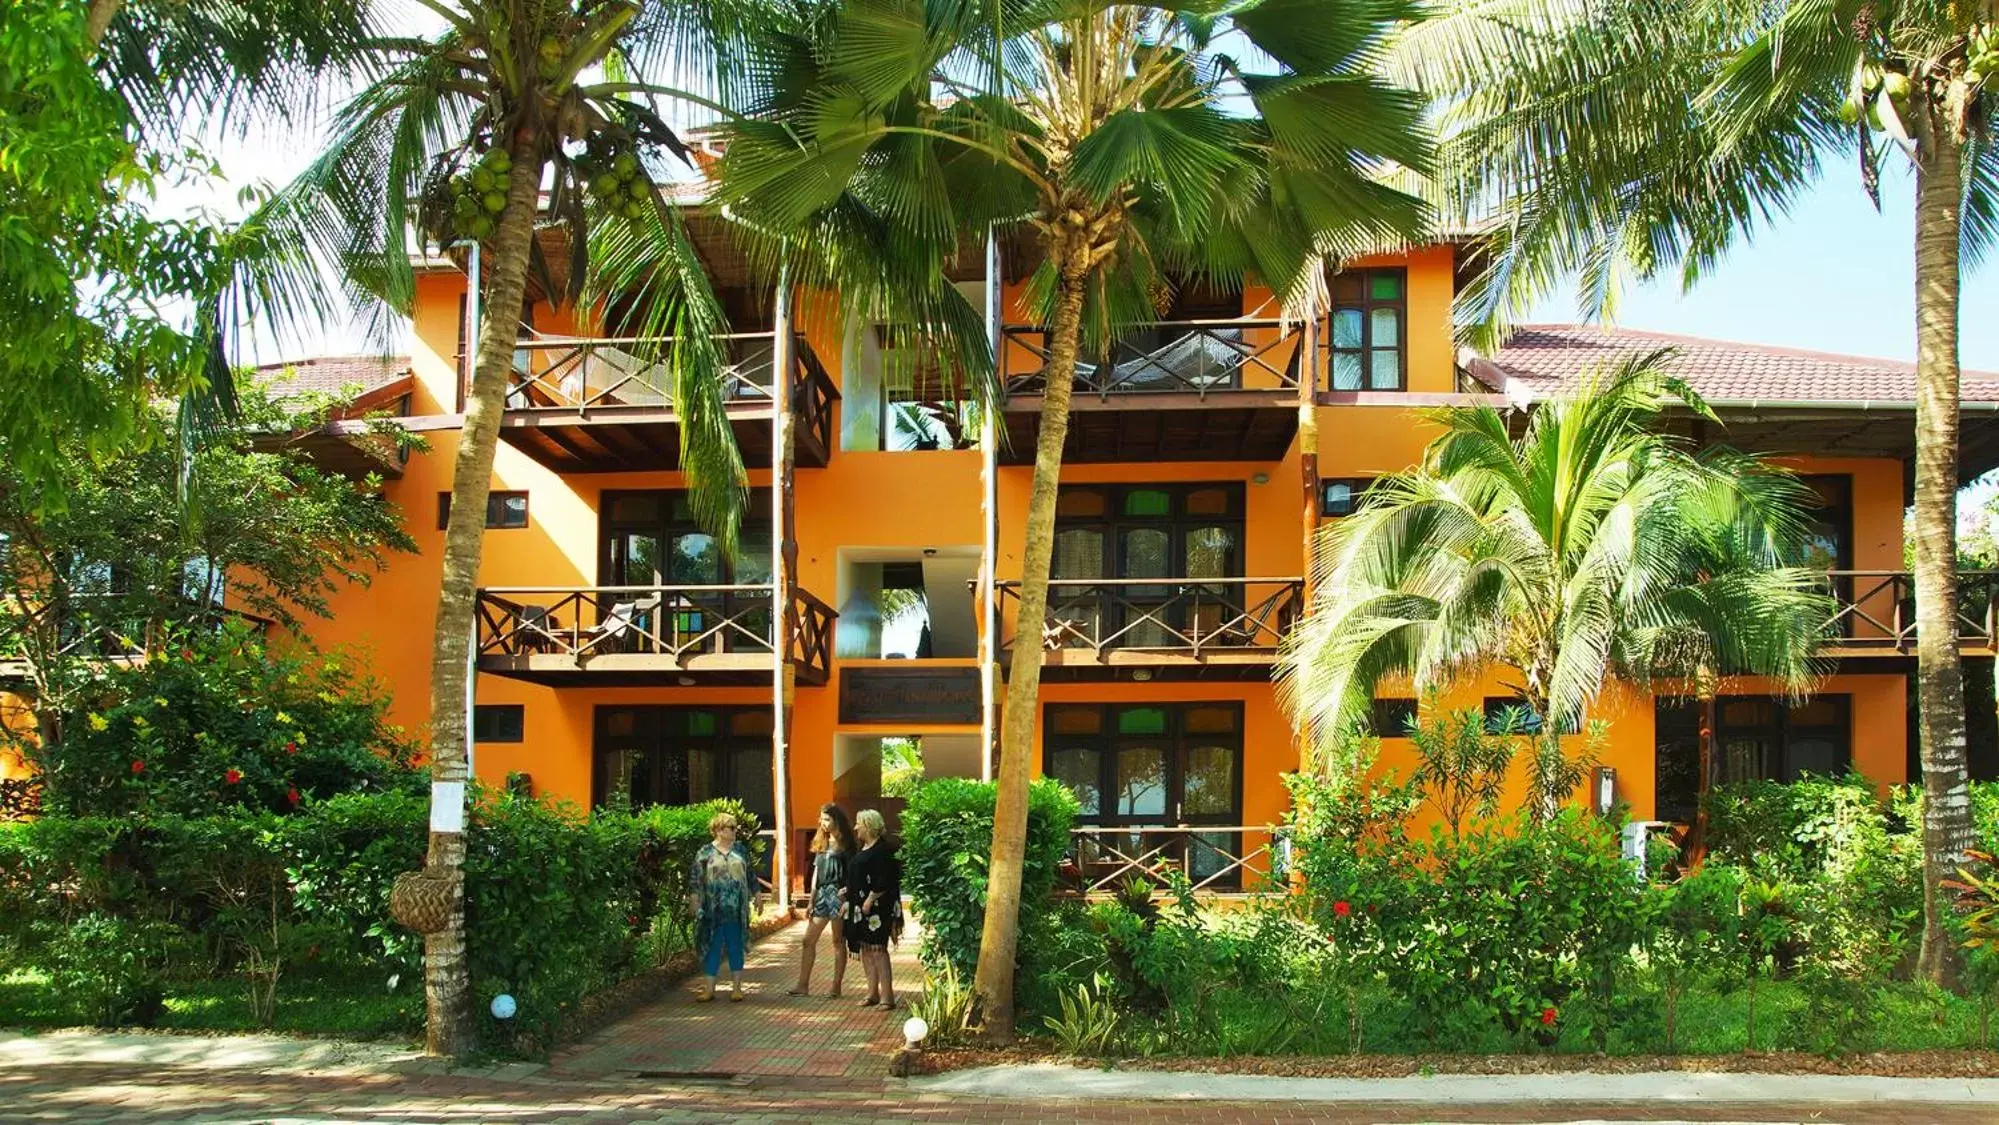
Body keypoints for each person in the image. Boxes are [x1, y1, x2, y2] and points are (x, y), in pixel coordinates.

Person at [687, 811, 754, 1003]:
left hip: (736, 908)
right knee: (712, 947)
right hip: (712, 909)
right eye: (731, 828)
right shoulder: (705, 852)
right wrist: (694, 899)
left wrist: (757, 895)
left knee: (735, 945)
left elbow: (750, 874)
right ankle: (709, 989)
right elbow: (695, 879)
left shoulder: (740, 850)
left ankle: (737, 988)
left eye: (735, 827)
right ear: (718, 830)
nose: (734, 831)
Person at [790, 803, 855, 997]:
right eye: (822, 819)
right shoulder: (822, 842)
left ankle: (836, 986)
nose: (823, 823)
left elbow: (853, 872)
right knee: (808, 940)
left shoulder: (847, 845)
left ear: (837, 820)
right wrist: (811, 900)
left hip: (838, 893)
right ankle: (802, 984)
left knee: (837, 941)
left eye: (827, 819)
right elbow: (816, 873)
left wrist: (848, 894)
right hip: (822, 895)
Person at [844, 807, 903, 1009]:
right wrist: (847, 893)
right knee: (866, 949)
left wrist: (870, 899)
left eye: (859, 824)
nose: (855, 828)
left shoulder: (884, 850)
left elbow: (885, 879)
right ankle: (872, 993)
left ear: (868, 826)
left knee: (878, 950)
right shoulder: (864, 849)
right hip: (861, 908)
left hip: (877, 908)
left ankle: (887, 996)